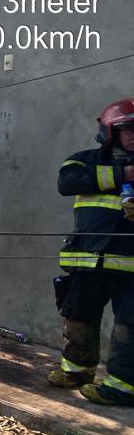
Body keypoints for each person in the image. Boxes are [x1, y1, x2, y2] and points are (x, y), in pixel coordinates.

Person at [48, 99, 134, 406]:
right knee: (78, 316)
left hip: (130, 265)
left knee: (129, 325)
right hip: (86, 259)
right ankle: (76, 370)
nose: (133, 135)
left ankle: (121, 387)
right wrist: (125, 175)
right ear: (110, 131)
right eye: (127, 129)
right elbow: (67, 182)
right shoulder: (83, 161)